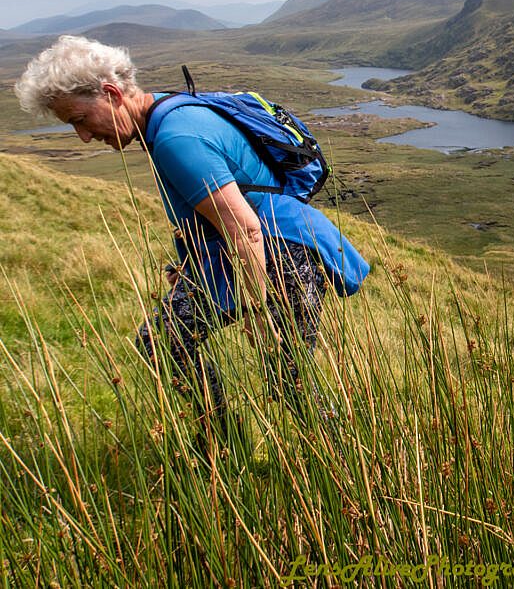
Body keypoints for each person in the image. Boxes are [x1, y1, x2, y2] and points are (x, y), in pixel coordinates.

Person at [14, 35, 369, 448]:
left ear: (111, 94)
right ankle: (226, 446)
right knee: (177, 345)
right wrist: (195, 264)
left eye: (79, 119)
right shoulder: (169, 111)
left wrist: (257, 311)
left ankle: (339, 467)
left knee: (286, 379)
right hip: (277, 249)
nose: (83, 137)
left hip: (278, 256)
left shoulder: (174, 139)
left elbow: (246, 229)